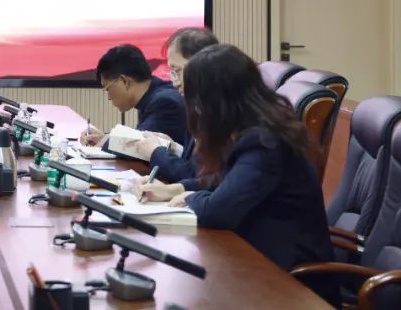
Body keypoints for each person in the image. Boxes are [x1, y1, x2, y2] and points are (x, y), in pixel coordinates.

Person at [137, 44, 338, 304]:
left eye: (197, 101)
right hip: (260, 261)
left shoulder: (264, 142)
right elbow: (230, 181)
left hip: (291, 284)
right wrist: (177, 188)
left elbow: (217, 211)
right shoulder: (255, 128)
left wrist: (189, 198)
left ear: (216, 100)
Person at [126, 27, 218, 185]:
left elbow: (197, 177)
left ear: (202, 63)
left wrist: (155, 152)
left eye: (178, 70)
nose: (175, 82)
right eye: (172, 71)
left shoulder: (219, 111)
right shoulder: (199, 106)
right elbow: (194, 165)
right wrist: (173, 148)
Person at [83, 44, 187, 147]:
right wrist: (104, 139)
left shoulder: (164, 103)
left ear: (123, 81)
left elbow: (138, 147)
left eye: (107, 89)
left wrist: (106, 142)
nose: (109, 97)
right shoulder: (152, 96)